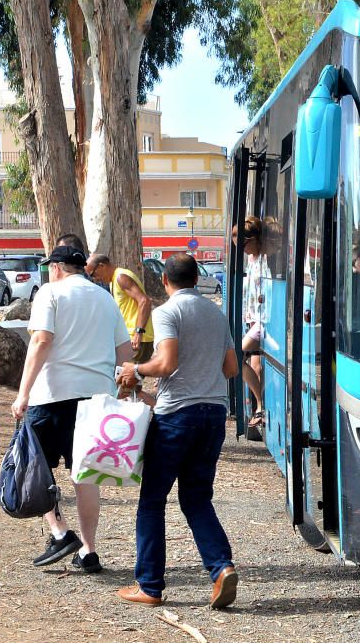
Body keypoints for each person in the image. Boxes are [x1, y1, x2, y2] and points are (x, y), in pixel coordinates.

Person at [115, 253, 240, 608]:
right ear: (197, 279)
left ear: (165, 282)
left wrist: (136, 370)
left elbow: (167, 363)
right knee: (197, 498)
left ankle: (150, 586)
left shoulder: (167, 312)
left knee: (152, 501)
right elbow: (231, 368)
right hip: (213, 416)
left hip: (177, 419)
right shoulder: (217, 314)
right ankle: (221, 569)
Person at [10, 245, 132, 574]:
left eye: (51, 266)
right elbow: (124, 350)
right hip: (96, 399)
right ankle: (89, 552)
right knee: (85, 475)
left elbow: (40, 341)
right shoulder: (105, 298)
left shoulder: (50, 293)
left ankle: (61, 532)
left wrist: (23, 393)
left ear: (59, 267)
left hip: (52, 396)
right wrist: (124, 387)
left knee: (37, 471)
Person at [85, 254, 155, 363]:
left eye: (93, 274)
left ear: (102, 266)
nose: (96, 279)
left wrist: (138, 333)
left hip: (137, 339)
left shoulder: (121, 277)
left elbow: (144, 301)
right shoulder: (114, 280)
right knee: (124, 377)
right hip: (130, 338)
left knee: (123, 377)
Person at [232, 217, 267, 429]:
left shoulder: (265, 259)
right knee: (256, 365)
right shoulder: (252, 259)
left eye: (244, 245)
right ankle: (260, 407)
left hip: (263, 322)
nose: (242, 250)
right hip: (253, 320)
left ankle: (260, 406)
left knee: (237, 355)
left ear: (254, 239)